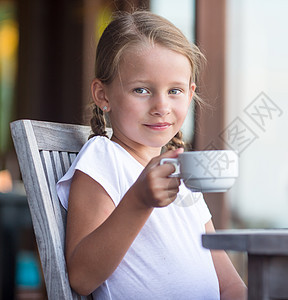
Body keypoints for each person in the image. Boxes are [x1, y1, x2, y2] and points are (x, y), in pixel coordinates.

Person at [56, 10, 247, 299]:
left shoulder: (182, 174)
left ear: (190, 94)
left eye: (174, 91)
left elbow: (229, 285)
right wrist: (140, 199)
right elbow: (82, 278)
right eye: (142, 90)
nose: (161, 106)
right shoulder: (103, 159)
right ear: (102, 95)